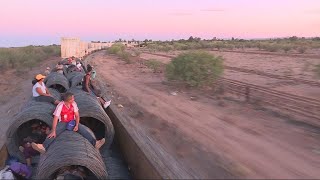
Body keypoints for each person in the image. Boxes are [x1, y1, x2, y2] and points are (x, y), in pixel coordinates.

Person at [31, 92, 105, 154]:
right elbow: (55, 119)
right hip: (63, 122)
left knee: (83, 129)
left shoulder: (74, 104)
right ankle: (43, 146)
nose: (74, 99)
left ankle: (95, 143)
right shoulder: (60, 106)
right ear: (68, 100)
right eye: (72, 98)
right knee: (54, 133)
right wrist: (53, 130)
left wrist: (76, 125)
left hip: (72, 121)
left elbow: (77, 115)